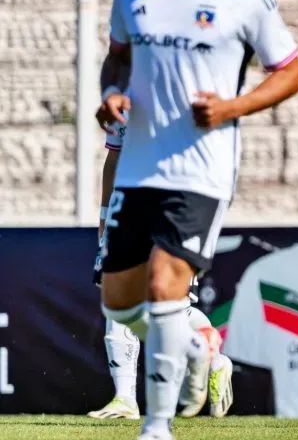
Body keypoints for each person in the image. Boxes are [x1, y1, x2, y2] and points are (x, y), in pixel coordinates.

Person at [94, 0, 298, 440]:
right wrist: (112, 95)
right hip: (136, 166)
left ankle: (157, 429)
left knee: (166, 284)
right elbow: (117, 60)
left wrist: (234, 107)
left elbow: (290, 71)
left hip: (202, 170)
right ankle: (199, 349)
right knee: (119, 301)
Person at [90, 110, 230, 421]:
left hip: (177, 206)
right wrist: (104, 213)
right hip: (129, 206)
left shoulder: (183, 82)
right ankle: (130, 395)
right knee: (121, 298)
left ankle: (199, 356)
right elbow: (113, 158)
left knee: (167, 301)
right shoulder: (124, 87)